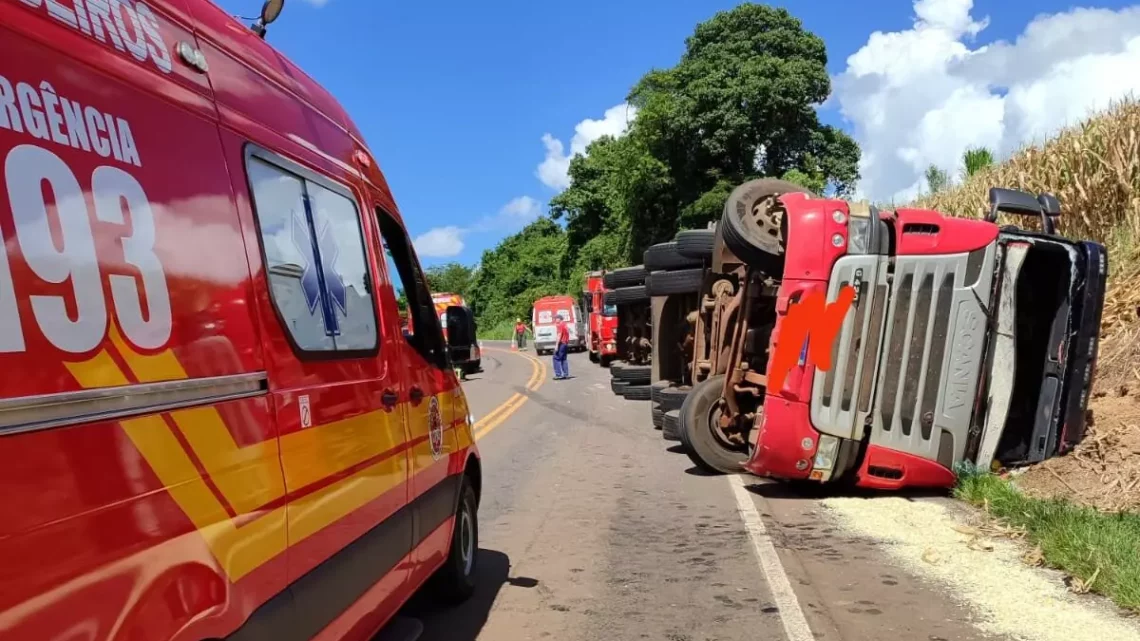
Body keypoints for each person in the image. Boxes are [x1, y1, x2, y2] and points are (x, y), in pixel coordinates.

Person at [552, 313, 571, 380]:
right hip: (565, 343)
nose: (554, 320)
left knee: (555, 358)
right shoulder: (565, 324)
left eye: (555, 319)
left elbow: (559, 335)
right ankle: (566, 374)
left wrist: (556, 345)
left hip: (562, 343)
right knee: (564, 359)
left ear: (559, 319)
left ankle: (558, 374)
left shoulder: (560, 325)